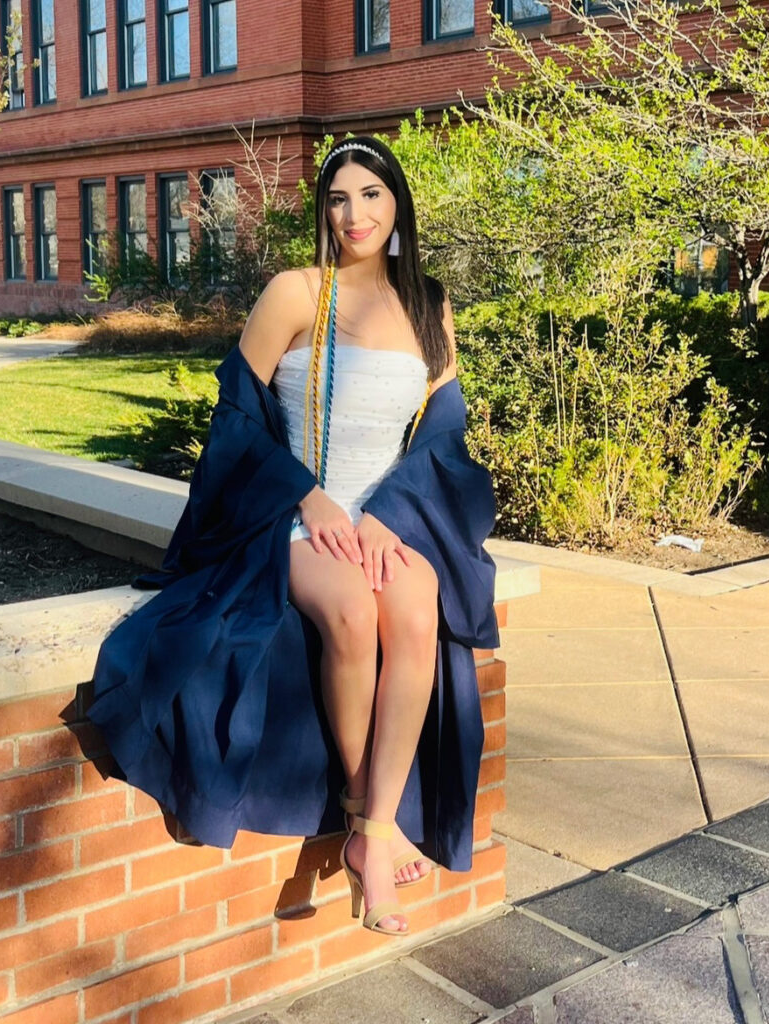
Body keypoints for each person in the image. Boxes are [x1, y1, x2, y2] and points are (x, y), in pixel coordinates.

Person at [88, 136, 499, 938]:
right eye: (339, 199)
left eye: (372, 197)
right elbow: (238, 421)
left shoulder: (427, 302)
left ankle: (373, 828)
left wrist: (392, 514)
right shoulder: (294, 293)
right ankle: (366, 820)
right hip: (292, 513)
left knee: (416, 610)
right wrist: (308, 497)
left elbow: (442, 435)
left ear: (397, 204)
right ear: (323, 210)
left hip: (388, 516)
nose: (356, 215)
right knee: (350, 612)